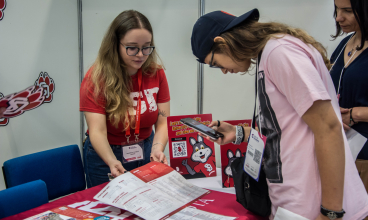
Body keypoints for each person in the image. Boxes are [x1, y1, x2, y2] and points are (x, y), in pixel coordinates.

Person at [191, 9, 368, 220]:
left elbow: (328, 128)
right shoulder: (270, 54)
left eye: (214, 62)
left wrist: (330, 212)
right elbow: (290, 129)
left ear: (222, 43)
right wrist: (240, 133)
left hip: (311, 204)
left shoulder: (280, 52)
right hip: (294, 202)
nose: (222, 70)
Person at [80, 10, 170, 188]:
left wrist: (157, 147)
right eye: (132, 47)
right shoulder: (97, 79)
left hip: (145, 149)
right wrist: (111, 161)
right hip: (105, 154)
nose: (140, 54)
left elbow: (163, 121)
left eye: (146, 47)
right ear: (115, 45)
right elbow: (97, 131)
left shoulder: (156, 73)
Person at [330, 0, 368, 194]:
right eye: (336, 9)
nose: (338, 17)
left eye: (348, 11)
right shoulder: (346, 42)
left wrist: (357, 113)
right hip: (342, 154)